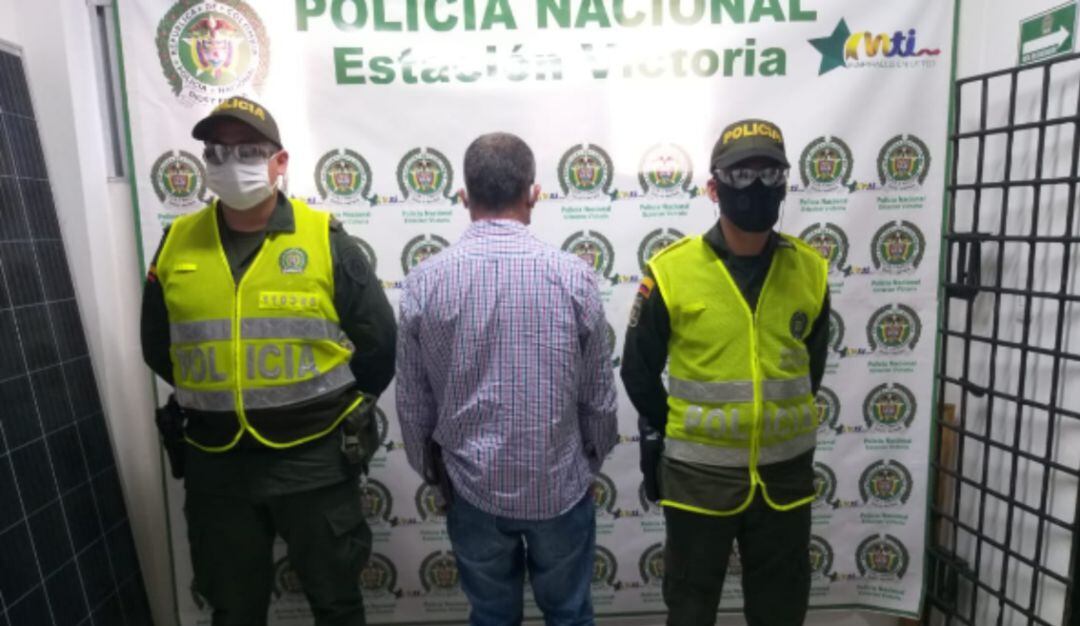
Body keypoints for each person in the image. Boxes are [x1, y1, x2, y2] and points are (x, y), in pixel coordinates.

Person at [140, 96, 396, 626]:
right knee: (233, 610)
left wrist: (338, 409)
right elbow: (158, 347)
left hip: (313, 461)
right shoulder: (176, 242)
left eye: (249, 151)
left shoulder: (324, 238)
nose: (231, 162)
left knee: (337, 604)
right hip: (216, 464)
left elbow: (378, 344)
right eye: (217, 151)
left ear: (280, 162)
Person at [396, 132, 619, 626]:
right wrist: (586, 465)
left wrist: (436, 475)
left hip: (471, 488)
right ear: (533, 194)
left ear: (463, 196)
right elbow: (599, 399)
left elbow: (413, 406)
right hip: (559, 485)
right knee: (569, 615)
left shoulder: (423, 282)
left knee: (492, 617)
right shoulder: (573, 276)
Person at [620, 119, 831, 626]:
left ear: (784, 183)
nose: (757, 186)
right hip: (698, 483)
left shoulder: (810, 269)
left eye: (770, 173)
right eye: (741, 175)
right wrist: (680, 428)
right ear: (714, 188)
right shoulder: (671, 270)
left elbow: (812, 369)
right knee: (691, 611)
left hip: (784, 482)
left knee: (781, 612)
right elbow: (637, 372)